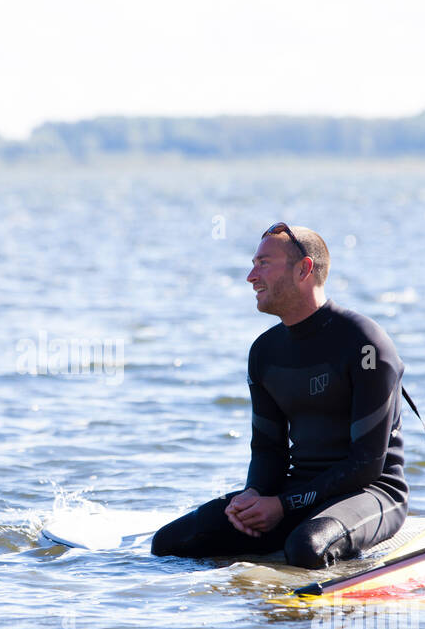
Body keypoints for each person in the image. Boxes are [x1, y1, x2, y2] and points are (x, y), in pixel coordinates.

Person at [151, 222, 409, 568]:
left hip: (372, 493)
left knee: (305, 547)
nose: (250, 276)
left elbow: (367, 463)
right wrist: (254, 495)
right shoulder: (265, 352)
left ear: (304, 269)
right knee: (170, 542)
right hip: (296, 493)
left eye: (264, 264)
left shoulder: (364, 342)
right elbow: (267, 449)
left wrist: (284, 506)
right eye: (254, 263)